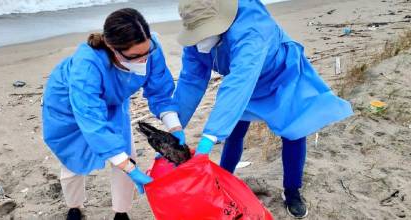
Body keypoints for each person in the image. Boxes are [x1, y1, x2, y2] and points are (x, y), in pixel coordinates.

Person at [173, 0, 353, 218]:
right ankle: (224, 180)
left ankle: (292, 190)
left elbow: (239, 81)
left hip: (281, 75)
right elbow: (191, 80)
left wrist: (209, 137)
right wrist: (175, 126)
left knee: (294, 130)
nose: (199, 39)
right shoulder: (195, 39)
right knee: (234, 131)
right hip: (245, 79)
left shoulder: (252, 29)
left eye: (205, 32)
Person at [42, 8, 185, 220]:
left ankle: (121, 211)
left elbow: (160, 92)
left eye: (146, 52)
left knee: (126, 152)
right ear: (112, 47)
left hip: (112, 99)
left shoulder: (150, 48)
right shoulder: (87, 66)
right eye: (135, 56)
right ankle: (74, 206)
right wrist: (125, 165)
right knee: (73, 158)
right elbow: (91, 119)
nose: (143, 60)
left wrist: (174, 127)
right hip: (69, 104)